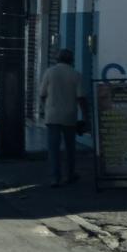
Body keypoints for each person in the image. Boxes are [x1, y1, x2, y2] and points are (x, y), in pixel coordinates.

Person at [38, 49, 88, 187]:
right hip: (69, 116)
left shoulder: (49, 72)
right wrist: (85, 117)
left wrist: (46, 108)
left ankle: (55, 178)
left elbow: (42, 94)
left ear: (57, 59)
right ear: (71, 60)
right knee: (70, 147)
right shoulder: (76, 74)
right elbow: (81, 98)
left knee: (53, 149)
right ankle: (69, 175)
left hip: (52, 116)